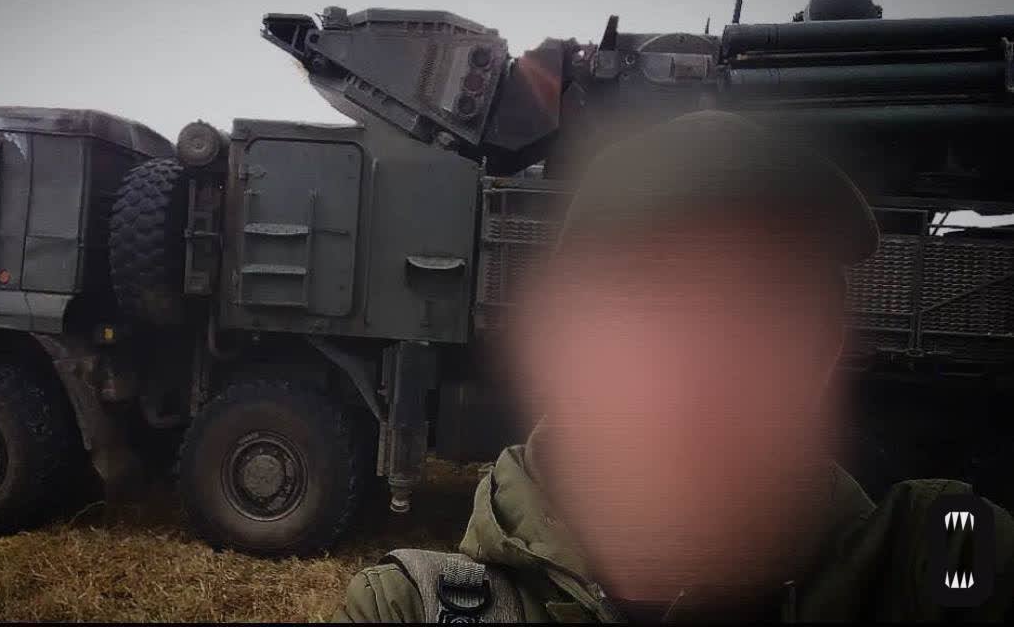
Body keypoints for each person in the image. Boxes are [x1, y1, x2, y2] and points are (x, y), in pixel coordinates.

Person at [332, 111, 1014, 623]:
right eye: (650, 294)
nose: (706, 360)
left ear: (824, 346)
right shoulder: (408, 608)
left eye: (766, 300)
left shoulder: (942, 559)